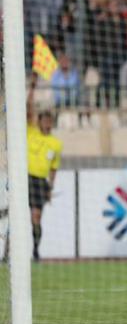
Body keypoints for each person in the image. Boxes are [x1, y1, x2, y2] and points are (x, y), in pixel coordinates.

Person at [26, 85, 63, 261]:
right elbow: (28, 110)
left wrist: (50, 187)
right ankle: (7, 252)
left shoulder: (56, 143)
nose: (47, 123)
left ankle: (35, 250)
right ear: (39, 121)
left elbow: (54, 168)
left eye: (49, 120)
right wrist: (32, 88)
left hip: (40, 182)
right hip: (24, 178)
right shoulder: (30, 132)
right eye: (44, 120)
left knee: (36, 216)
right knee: (15, 217)